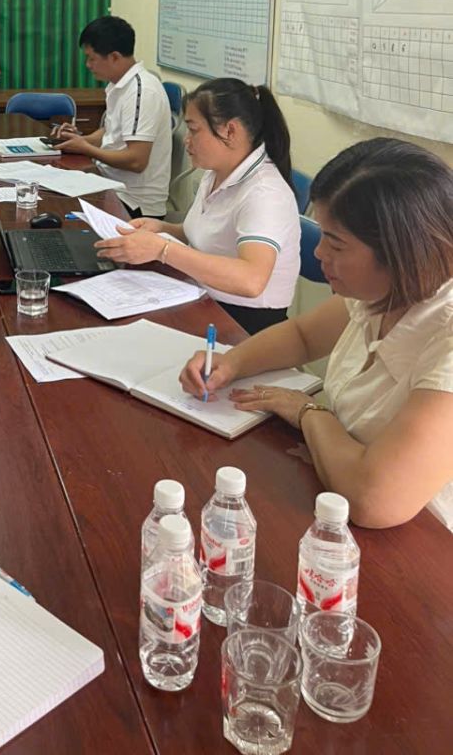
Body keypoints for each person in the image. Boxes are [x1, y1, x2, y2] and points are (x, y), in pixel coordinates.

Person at [179, 139, 453, 530]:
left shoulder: (444, 337)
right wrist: (230, 362)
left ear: (402, 254)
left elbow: (374, 499)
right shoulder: (382, 292)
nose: (320, 252)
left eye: (336, 243)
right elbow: (302, 337)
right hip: (334, 492)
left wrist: (308, 412)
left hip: (423, 541)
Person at [96, 78, 300, 334]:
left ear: (230, 131)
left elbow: (251, 280)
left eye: (193, 130)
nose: (186, 140)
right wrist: (163, 228)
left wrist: (162, 249)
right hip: (202, 297)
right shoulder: (216, 171)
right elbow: (210, 235)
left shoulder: (265, 193)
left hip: (242, 323)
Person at [53, 16, 172, 219]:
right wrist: (80, 140)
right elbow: (111, 131)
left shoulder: (142, 91)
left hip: (134, 204)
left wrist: (86, 149)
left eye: (92, 58)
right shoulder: (118, 84)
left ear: (114, 57)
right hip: (110, 184)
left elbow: (136, 161)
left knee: (59, 211)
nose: (88, 65)